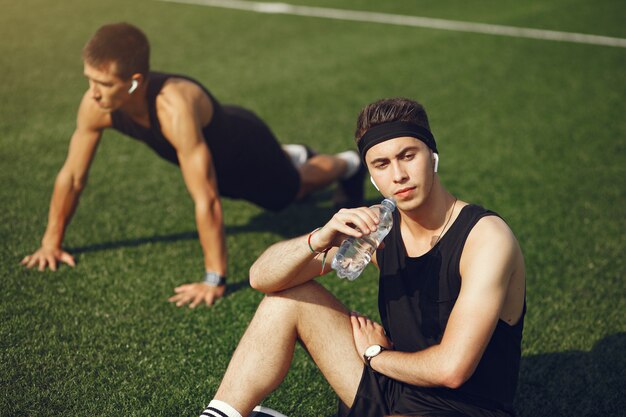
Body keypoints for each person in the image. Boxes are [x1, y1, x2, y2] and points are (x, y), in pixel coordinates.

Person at [198, 97, 526, 417]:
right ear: (371, 175)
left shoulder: (485, 238)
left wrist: (375, 355)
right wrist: (321, 238)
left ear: (432, 155)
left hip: (463, 406)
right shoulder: (379, 229)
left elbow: (452, 369)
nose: (398, 175)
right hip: (397, 384)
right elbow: (262, 278)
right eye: (381, 164)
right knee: (286, 300)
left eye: (408, 155)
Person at [19, 22, 365, 308]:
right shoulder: (97, 104)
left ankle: (348, 164)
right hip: (216, 146)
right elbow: (73, 176)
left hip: (245, 150)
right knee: (279, 183)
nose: (93, 93)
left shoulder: (173, 107)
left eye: (104, 84)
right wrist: (52, 242)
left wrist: (213, 277)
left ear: (135, 81)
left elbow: (206, 198)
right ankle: (292, 155)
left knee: (288, 193)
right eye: (89, 79)